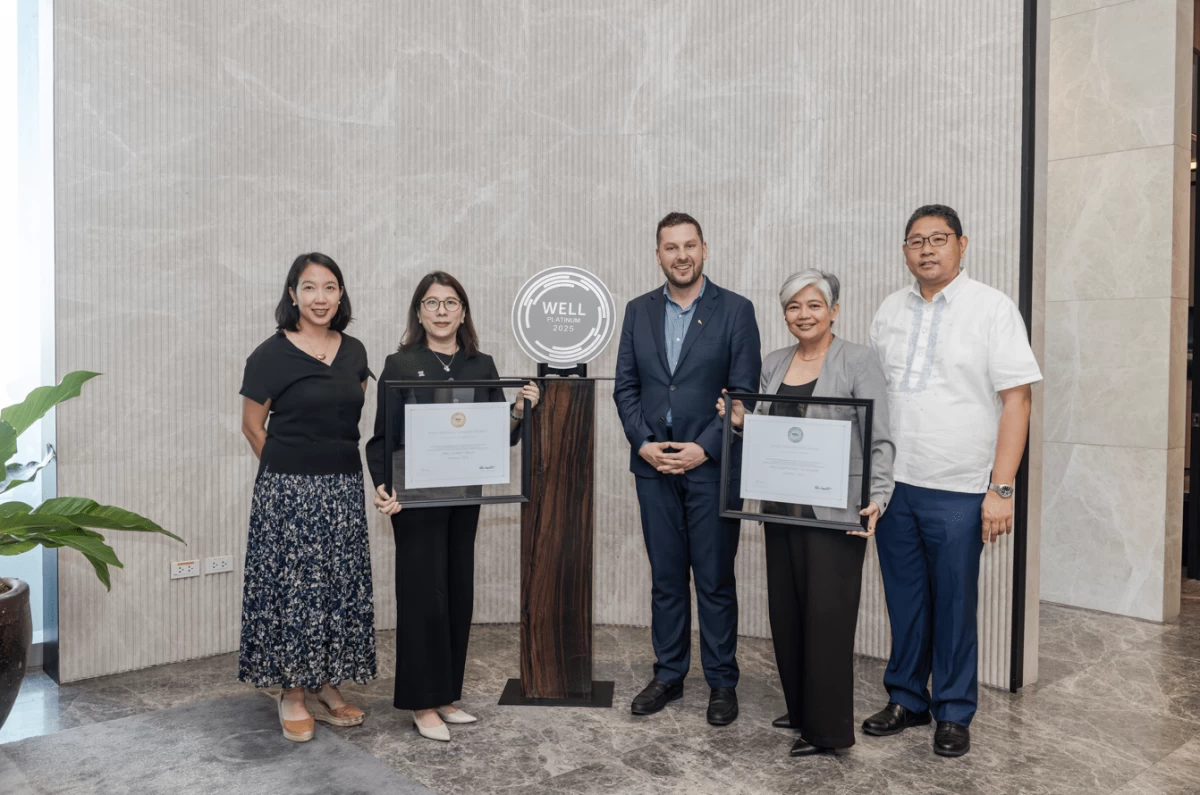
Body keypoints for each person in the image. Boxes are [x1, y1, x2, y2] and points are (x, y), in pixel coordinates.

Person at [863, 205, 1041, 757]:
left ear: (963, 245)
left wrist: (1001, 487)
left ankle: (954, 711)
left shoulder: (992, 308)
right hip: (896, 486)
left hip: (962, 488)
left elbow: (1017, 400)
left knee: (956, 603)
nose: (927, 249)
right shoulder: (889, 311)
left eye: (938, 239)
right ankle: (907, 699)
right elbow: (870, 398)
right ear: (904, 251)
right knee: (906, 600)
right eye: (916, 240)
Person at [718, 269, 894, 757]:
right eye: (794, 307)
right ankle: (800, 708)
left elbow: (880, 438)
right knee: (788, 612)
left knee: (828, 618)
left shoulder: (858, 360)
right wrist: (741, 422)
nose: (804, 314)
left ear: (834, 310)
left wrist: (878, 498)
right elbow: (772, 437)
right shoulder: (773, 363)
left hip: (836, 513)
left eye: (814, 305)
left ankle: (827, 730)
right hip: (781, 507)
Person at [365, 271, 540, 743]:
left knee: (457, 592)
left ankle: (446, 695)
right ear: (418, 312)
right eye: (431, 303)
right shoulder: (399, 364)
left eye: (450, 302)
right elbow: (381, 438)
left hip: (465, 497)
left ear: (463, 311)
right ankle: (422, 703)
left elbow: (495, 435)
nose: (441, 311)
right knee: (425, 597)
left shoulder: (481, 365)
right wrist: (383, 487)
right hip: (415, 499)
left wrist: (520, 409)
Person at [613, 211, 761, 726]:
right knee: (667, 577)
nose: (681, 255)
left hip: (711, 468)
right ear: (658, 255)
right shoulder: (637, 311)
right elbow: (625, 387)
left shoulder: (736, 311)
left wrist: (706, 447)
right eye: (670, 247)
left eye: (689, 245)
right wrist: (643, 444)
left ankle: (722, 682)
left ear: (704, 249)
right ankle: (669, 675)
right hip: (653, 467)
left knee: (715, 579)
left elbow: (744, 393)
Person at [238, 252, 376, 743]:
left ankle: (327, 682)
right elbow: (253, 427)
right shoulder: (269, 354)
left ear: (341, 295)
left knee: (338, 589)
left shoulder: (356, 351)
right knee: (295, 595)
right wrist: (287, 481)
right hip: (288, 492)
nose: (321, 298)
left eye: (331, 287)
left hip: (343, 487)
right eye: (310, 287)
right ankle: (293, 692)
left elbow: (351, 420)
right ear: (292, 294)